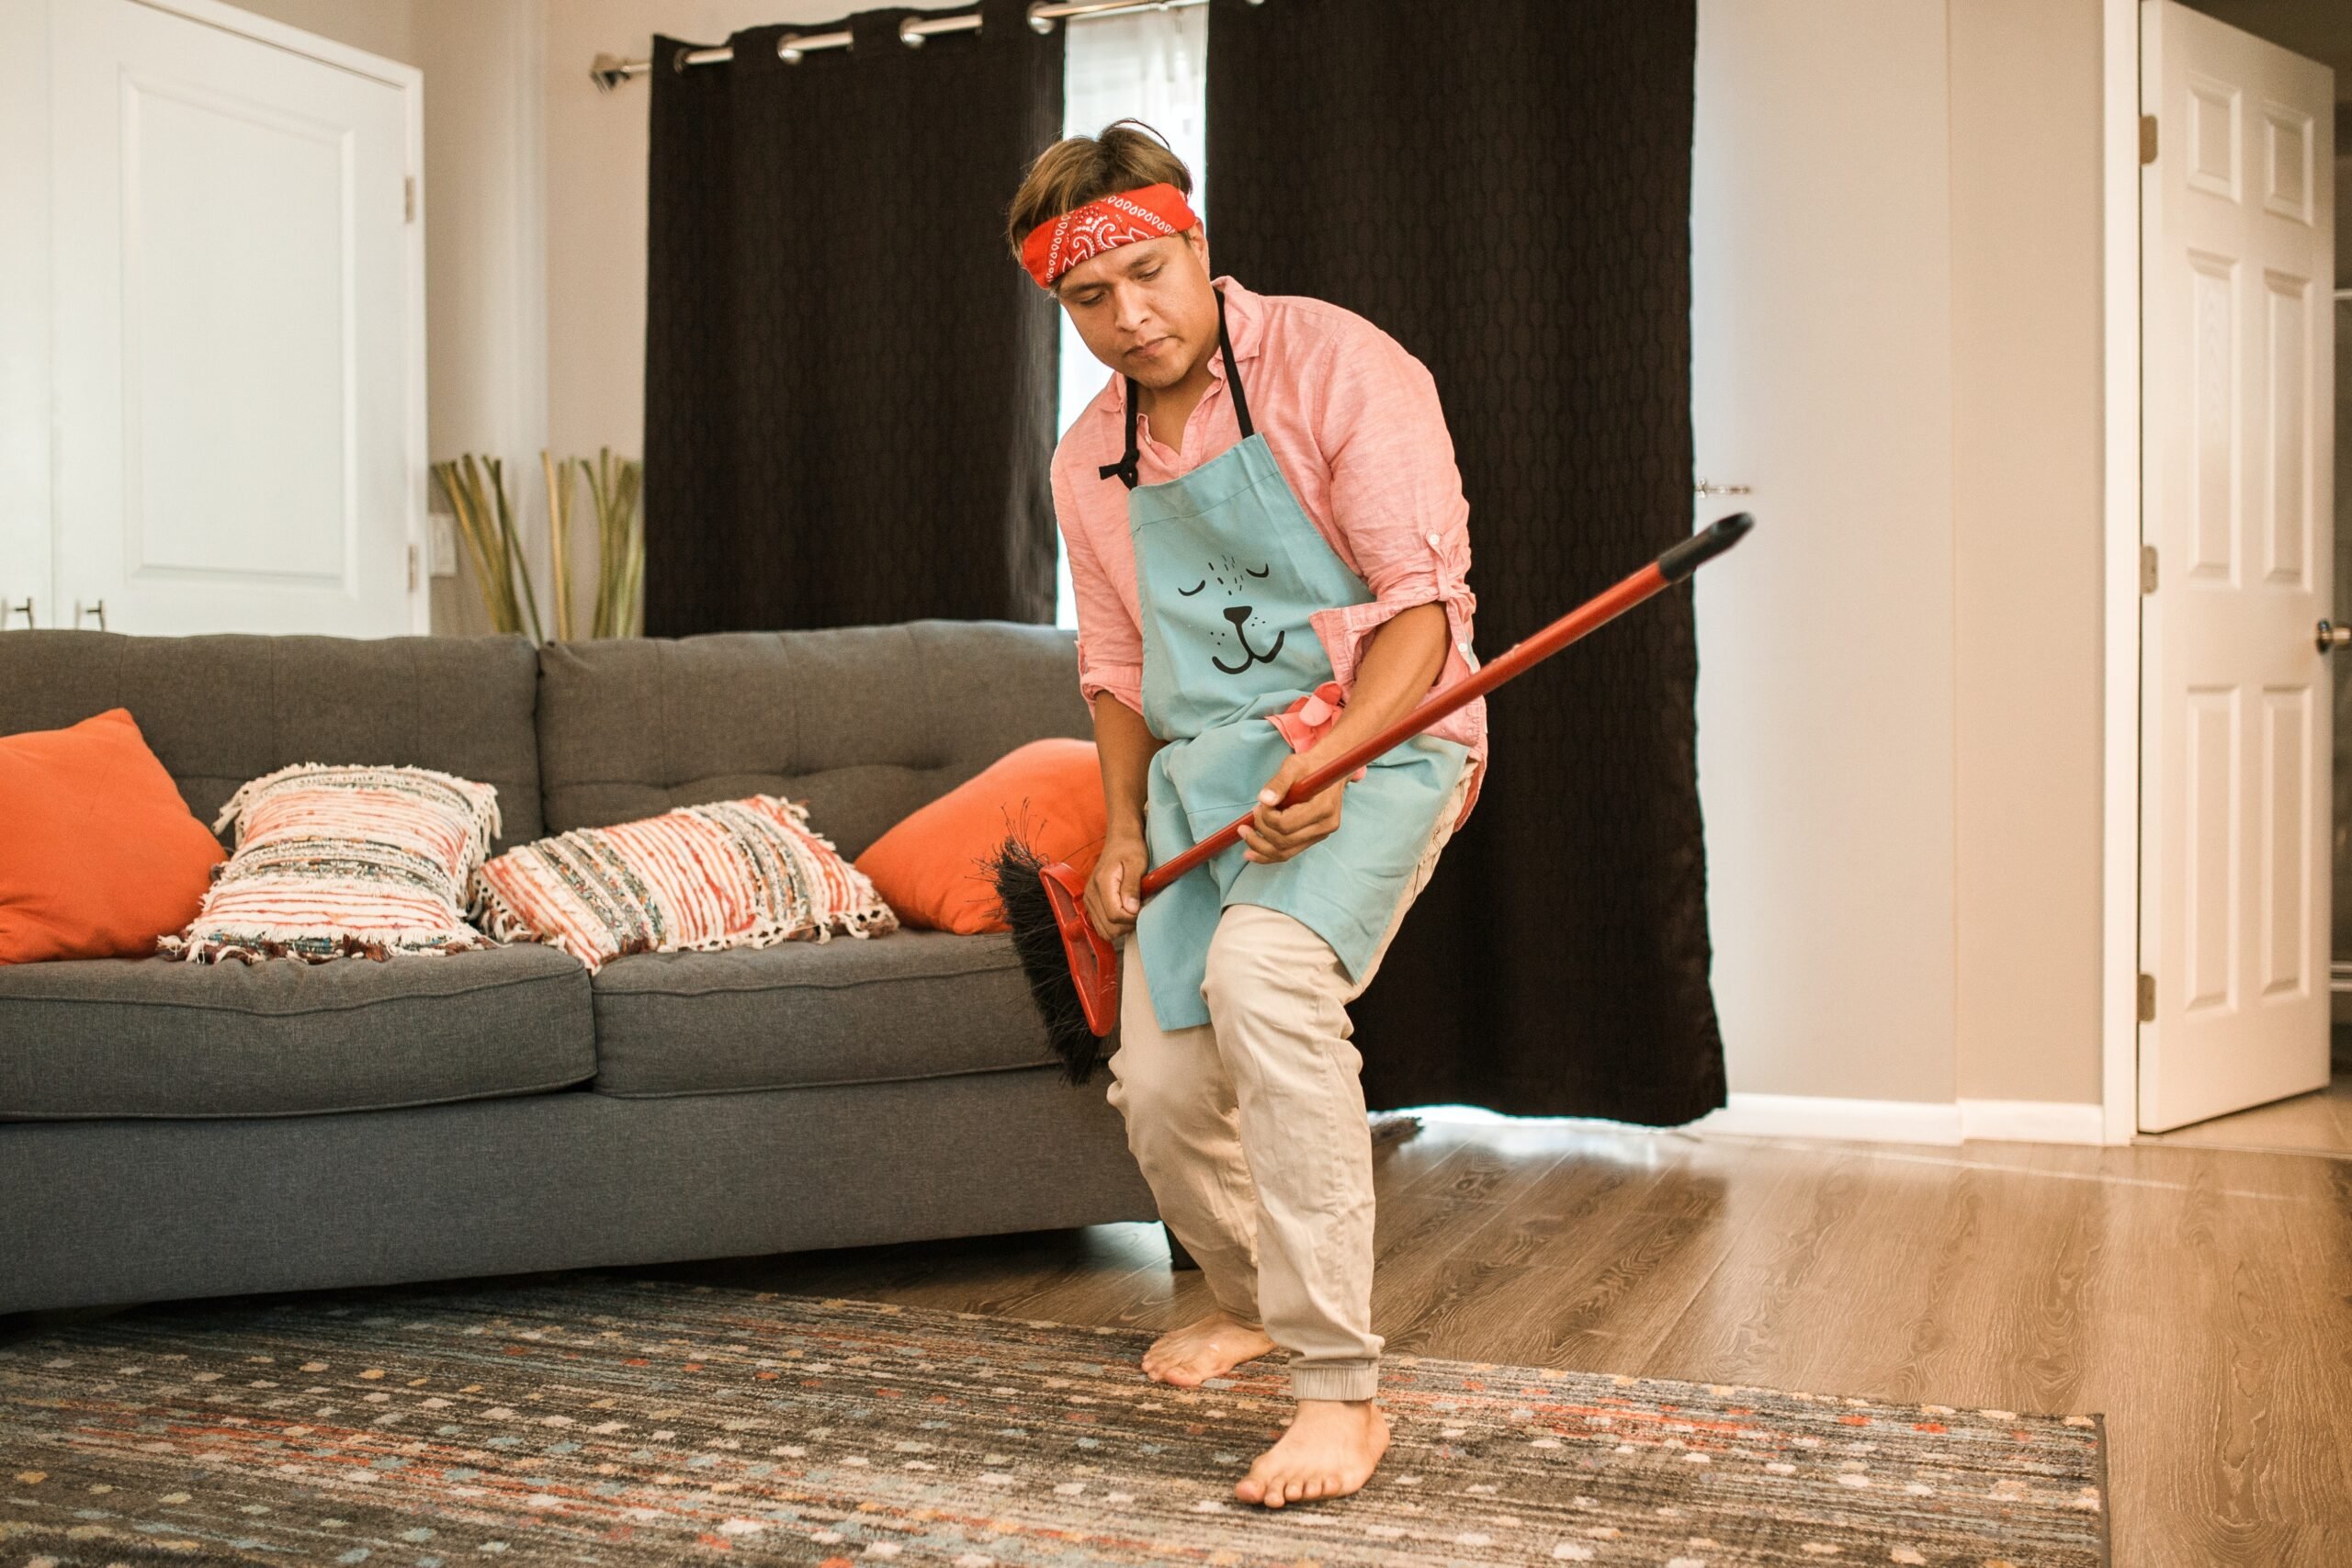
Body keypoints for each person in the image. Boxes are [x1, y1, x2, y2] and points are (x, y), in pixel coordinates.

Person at [1006, 120, 1489, 1509]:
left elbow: (1420, 611)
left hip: (1389, 740)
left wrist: (1332, 760)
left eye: (1148, 274)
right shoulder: (1085, 457)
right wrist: (1114, 836)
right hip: (1207, 781)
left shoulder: (1345, 367)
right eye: (1087, 300)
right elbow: (1113, 674)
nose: (1128, 317)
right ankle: (1253, 1293)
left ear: (1196, 241)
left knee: (1266, 977)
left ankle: (1339, 1389)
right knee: (1156, 1090)